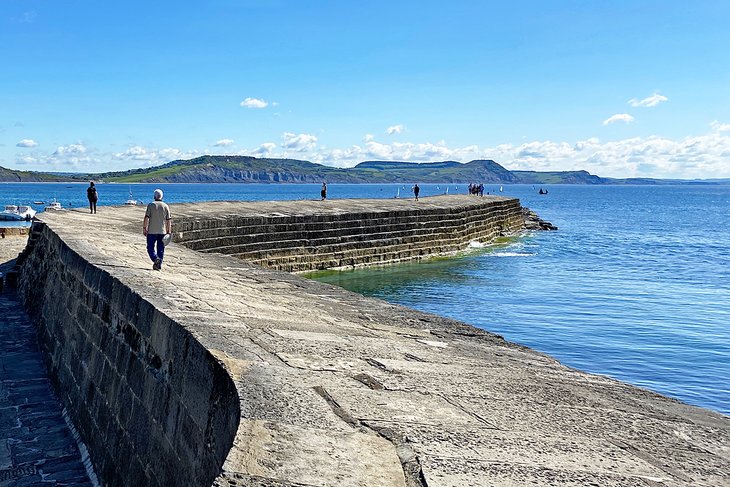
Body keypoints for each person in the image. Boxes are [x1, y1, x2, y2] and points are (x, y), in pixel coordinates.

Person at [143, 189, 172, 271]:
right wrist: (169, 231)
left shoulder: (151, 205)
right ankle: (158, 265)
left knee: (150, 248)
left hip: (152, 231)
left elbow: (146, 218)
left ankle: (156, 260)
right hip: (162, 231)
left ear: (154, 196)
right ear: (162, 197)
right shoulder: (166, 206)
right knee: (161, 249)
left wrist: (144, 228)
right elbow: (168, 220)